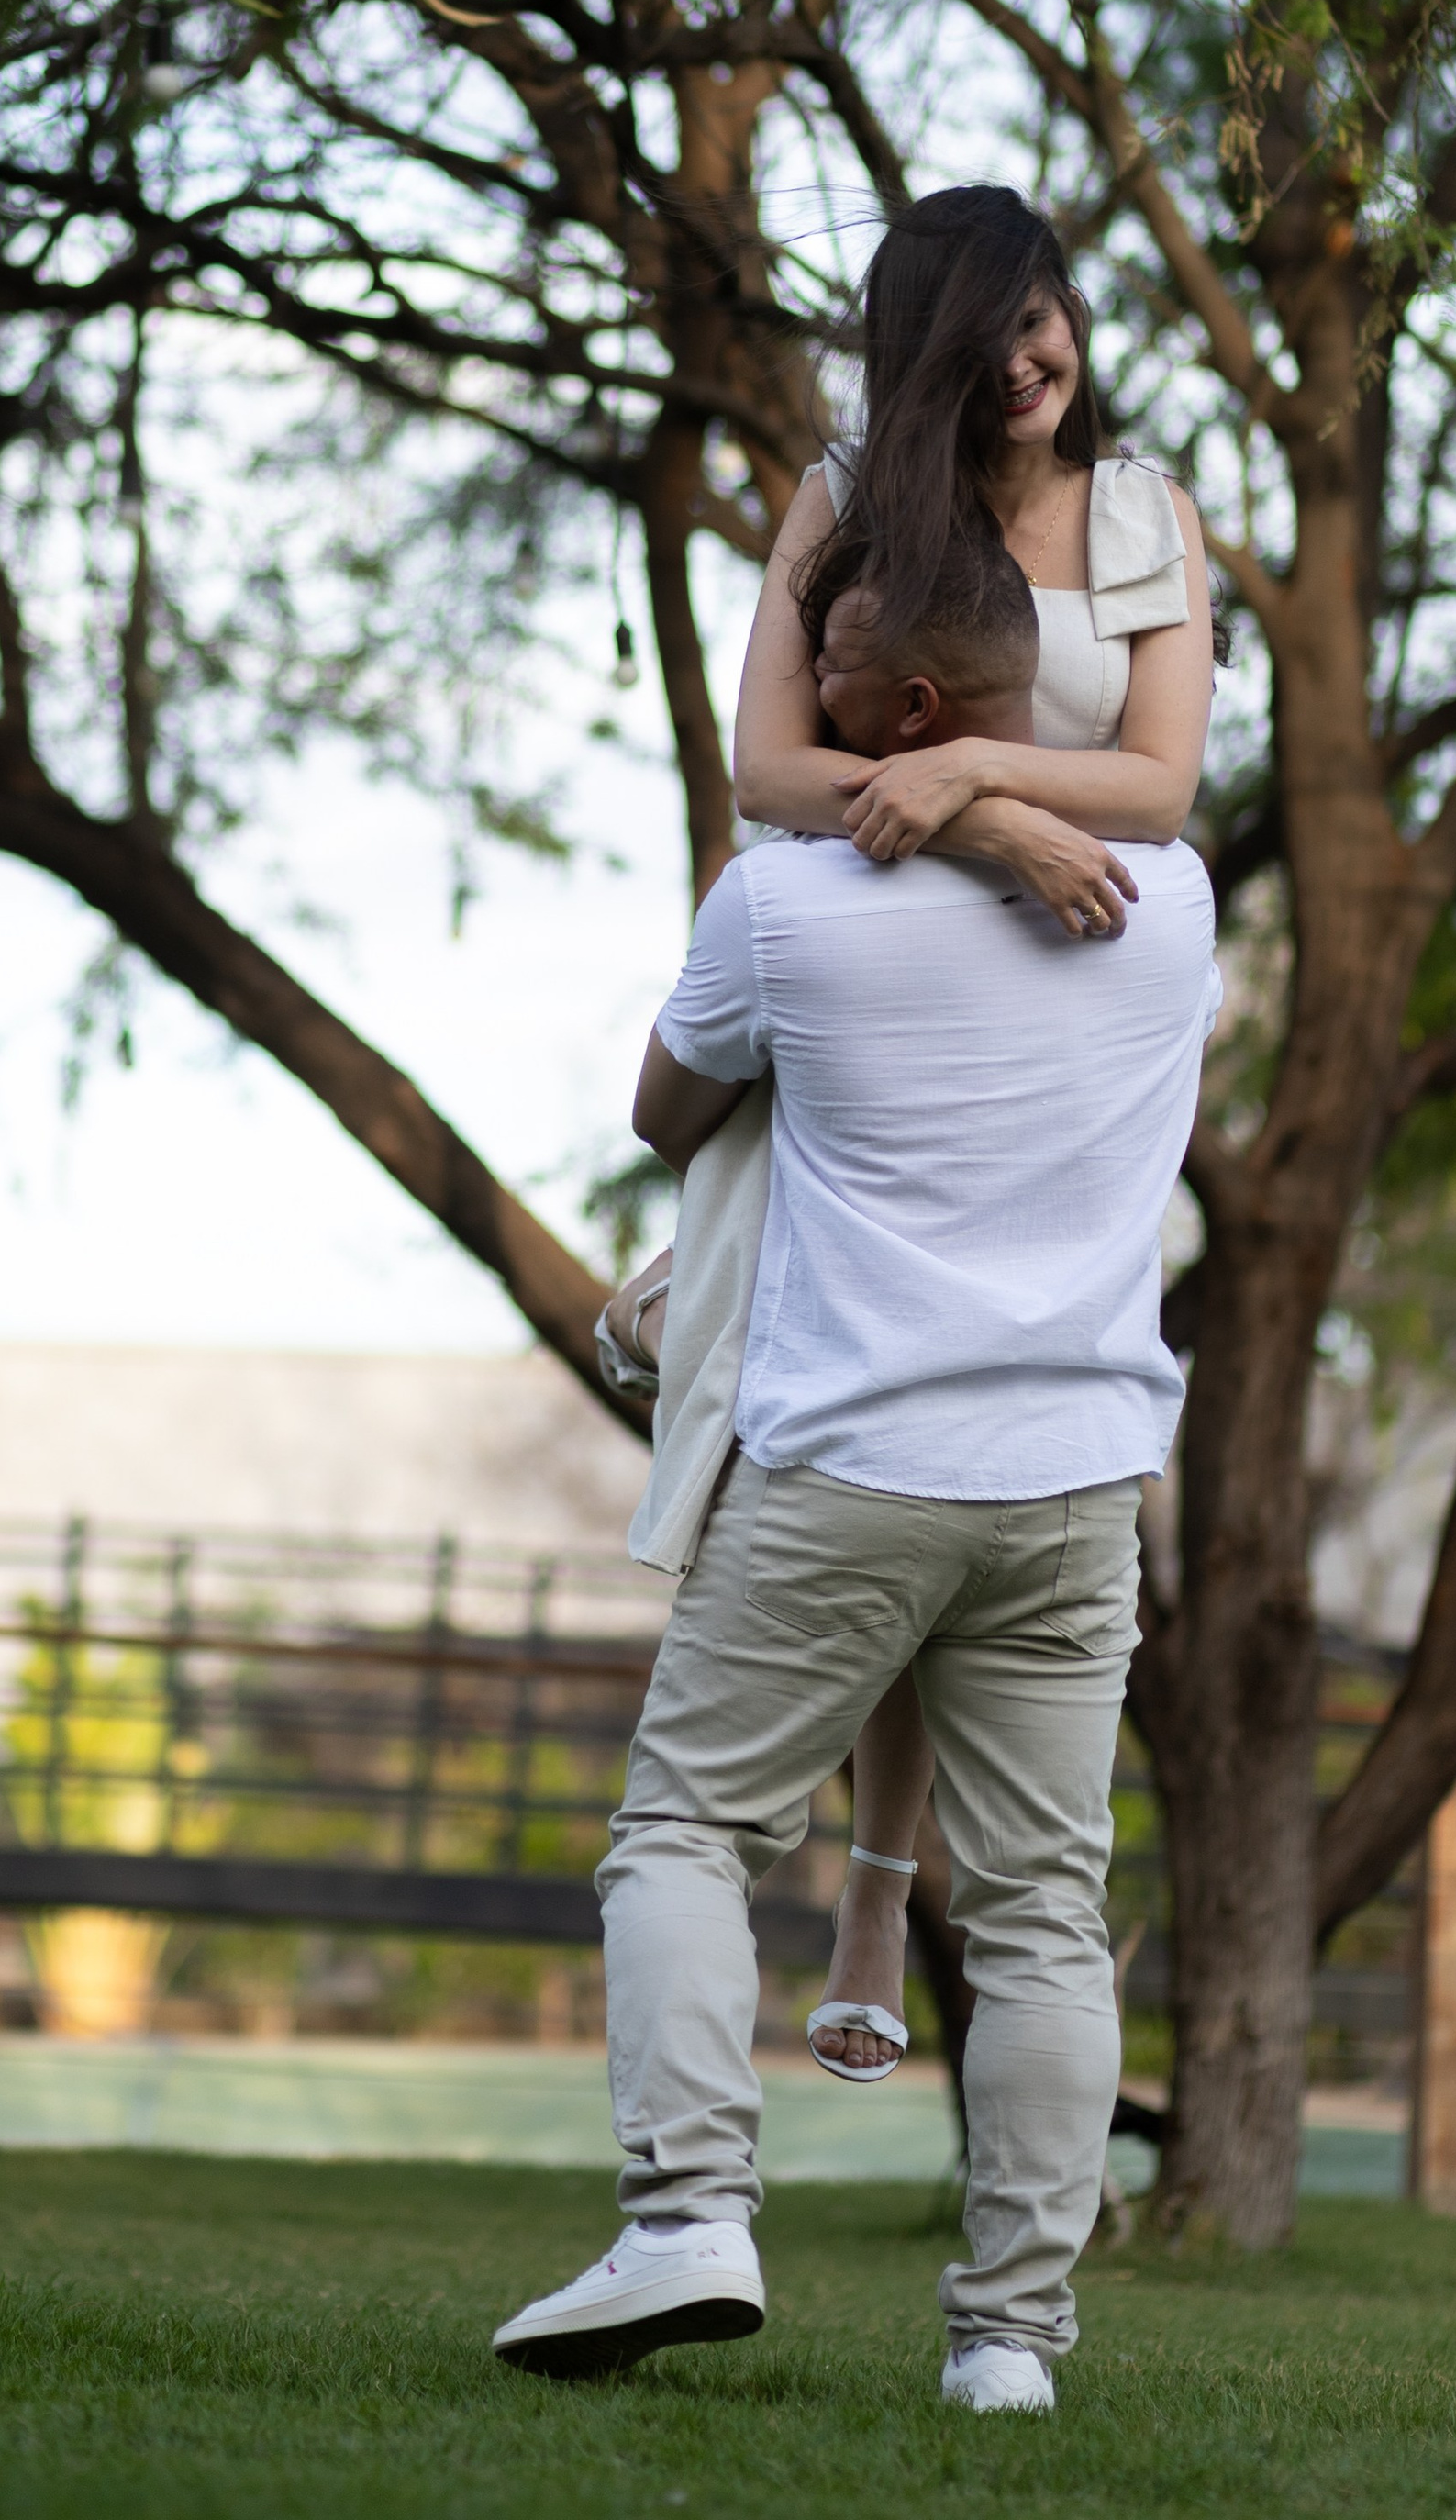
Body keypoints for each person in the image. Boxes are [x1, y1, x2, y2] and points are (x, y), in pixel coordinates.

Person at [493, 533, 1219, 2411]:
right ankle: (1007, 2350)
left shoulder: (781, 903)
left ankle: (686, 2217)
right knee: (1048, 1912)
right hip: (1074, 1482)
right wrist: (987, 810)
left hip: (849, 1468)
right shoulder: (1178, 902)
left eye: (817, 665)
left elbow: (662, 1110)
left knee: (681, 1833)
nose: (785, 695)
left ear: (897, 711)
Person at [604, 182, 1215, 2077]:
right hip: (881, 955)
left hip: (1059, 1002)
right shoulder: (843, 498)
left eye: (1052, 319)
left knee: (986, 1428)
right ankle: (692, 1301)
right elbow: (772, 769)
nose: (1033, 358)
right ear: (923, 353)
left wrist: (969, 765)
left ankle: (878, 1881)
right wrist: (981, 819)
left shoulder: (1142, 517)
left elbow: (1164, 781)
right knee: (838, 1408)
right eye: (994, 333)